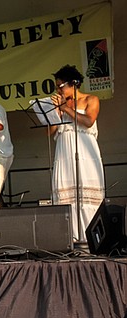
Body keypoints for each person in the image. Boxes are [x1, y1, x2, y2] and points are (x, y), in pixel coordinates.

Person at [50, 65, 104, 241]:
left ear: (74, 83)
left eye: (61, 86)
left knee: (87, 197)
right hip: (64, 152)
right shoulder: (60, 104)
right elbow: (50, 132)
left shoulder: (91, 99)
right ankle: (70, 239)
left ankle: (93, 239)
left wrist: (65, 108)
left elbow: (88, 121)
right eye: (56, 86)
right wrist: (54, 112)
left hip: (85, 152)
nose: (58, 90)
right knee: (66, 197)